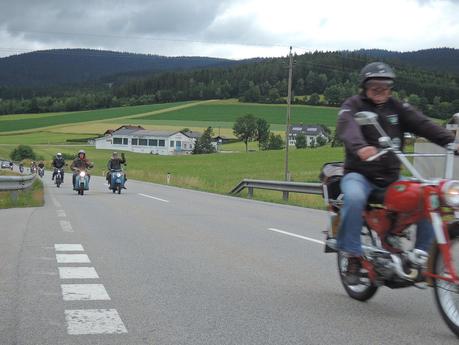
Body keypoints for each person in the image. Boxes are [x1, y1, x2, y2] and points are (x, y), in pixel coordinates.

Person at [336, 61, 455, 285]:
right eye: (375, 86)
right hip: (360, 175)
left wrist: (452, 142)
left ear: (391, 88)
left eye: (385, 86)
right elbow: (347, 125)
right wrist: (360, 147)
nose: (381, 91)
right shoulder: (353, 105)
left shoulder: (397, 108)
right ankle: (352, 255)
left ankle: (418, 256)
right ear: (365, 87)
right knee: (354, 198)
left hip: (391, 177)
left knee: (427, 197)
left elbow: (423, 124)